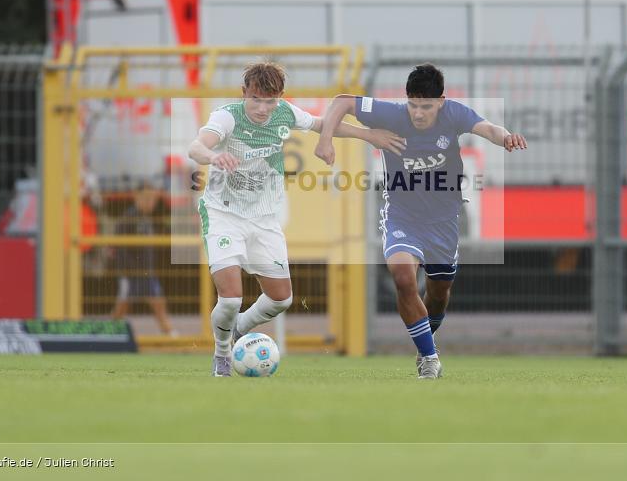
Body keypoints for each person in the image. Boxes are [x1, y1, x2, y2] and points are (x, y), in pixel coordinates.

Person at [188, 61, 405, 377]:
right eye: (257, 99)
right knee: (232, 297)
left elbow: (323, 124)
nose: (263, 108)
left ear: (280, 98)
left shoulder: (285, 113)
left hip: (263, 218)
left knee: (281, 299)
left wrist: (369, 135)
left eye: (270, 100)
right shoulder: (226, 117)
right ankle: (222, 354)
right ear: (244, 93)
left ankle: (238, 331)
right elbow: (197, 146)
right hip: (223, 214)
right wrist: (213, 156)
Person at [314, 63, 527, 379]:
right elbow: (342, 102)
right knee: (403, 277)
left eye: (426, 106)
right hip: (403, 216)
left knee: (439, 292)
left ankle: (426, 341)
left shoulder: (454, 114)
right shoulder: (392, 115)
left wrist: (506, 137)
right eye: (413, 104)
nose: (418, 113)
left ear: (441, 101)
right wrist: (326, 140)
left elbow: (488, 129)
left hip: (443, 221)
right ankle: (429, 358)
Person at [111, 180, 176, 336]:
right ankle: (110, 333)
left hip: (145, 271)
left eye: (153, 198)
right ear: (136, 197)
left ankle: (168, 331)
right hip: (131, 272)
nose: (150, 202)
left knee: (156, 302)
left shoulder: (146, 218)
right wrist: (131, 270)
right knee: (124, 305)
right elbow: (120, 248)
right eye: (146, 198)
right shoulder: (129, 218)